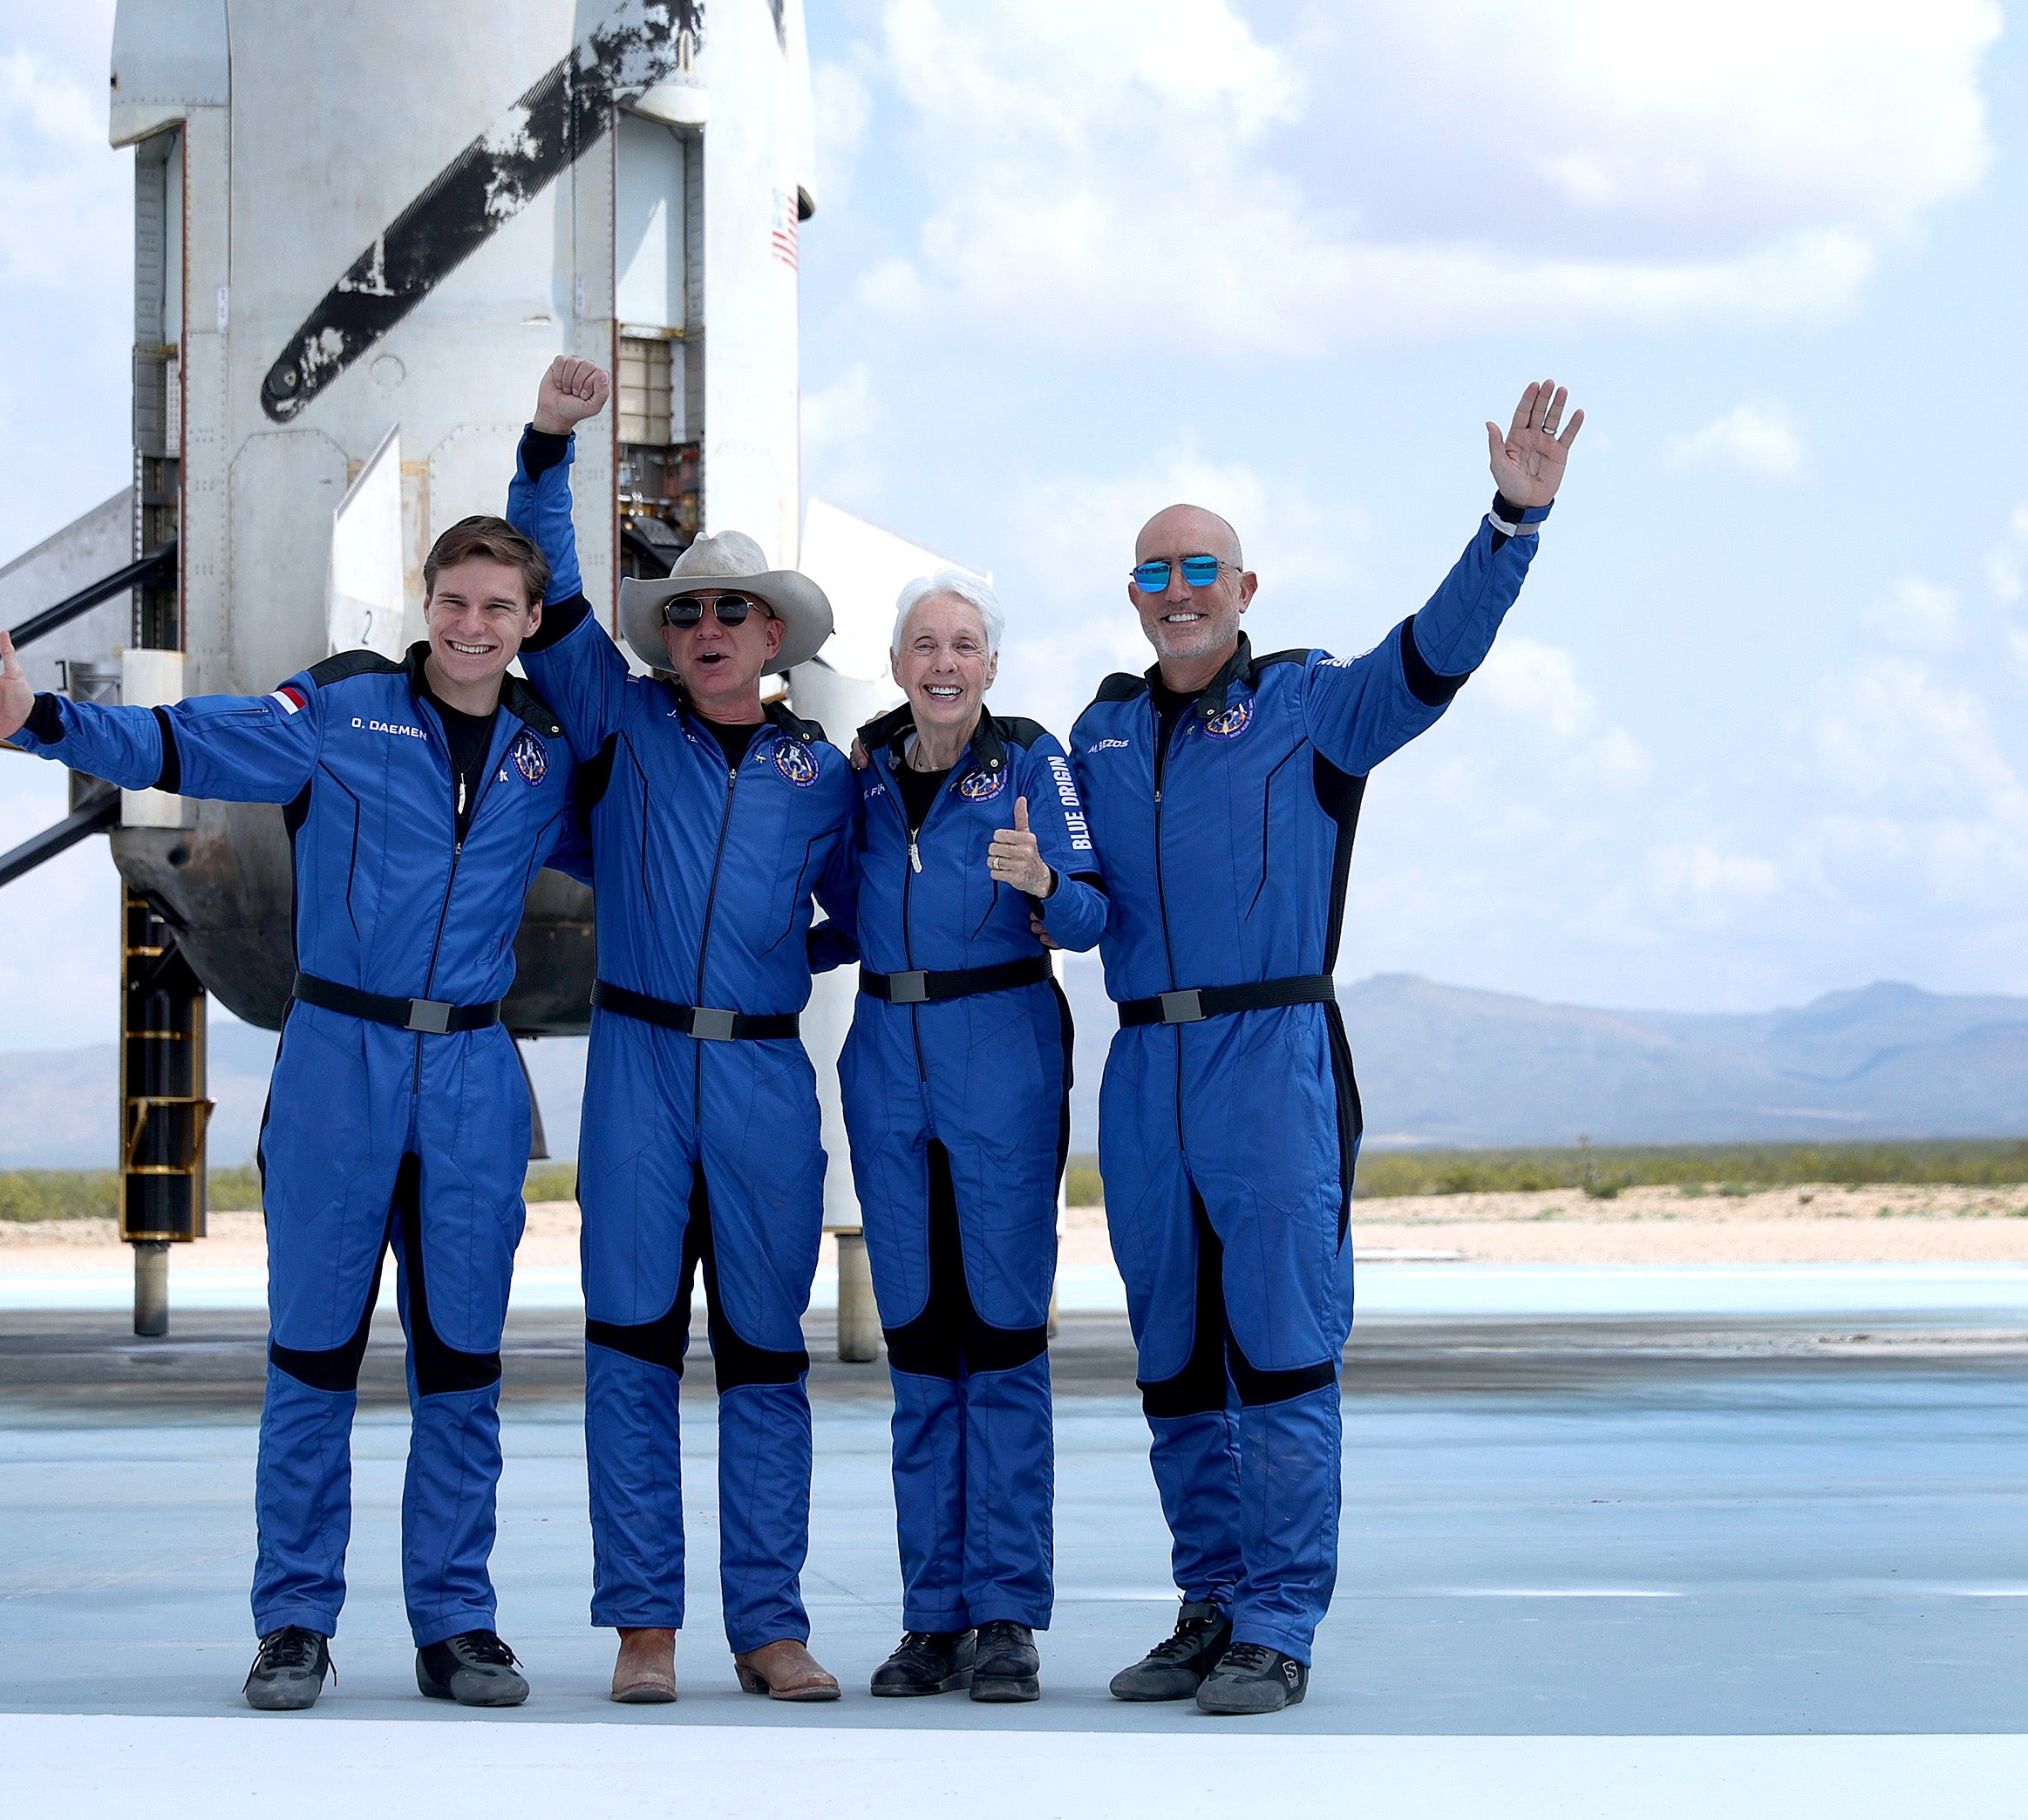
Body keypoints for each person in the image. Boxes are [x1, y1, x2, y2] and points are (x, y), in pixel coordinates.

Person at [0, 515, 582, 1713]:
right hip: (336, 1067)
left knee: (464, 1370)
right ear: (427, 599)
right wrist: (45, 724)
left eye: (497, 609)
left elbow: (659, 852)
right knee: (312, 1362)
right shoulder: (345, 711)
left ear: (529, 624)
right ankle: (294, 1620)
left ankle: (459, 1624)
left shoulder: (546, 756)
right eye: (454, 600)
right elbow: (194, 742)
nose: (471, 626)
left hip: (471, 1081)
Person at [1069, 381, 1583, 1715]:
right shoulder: (1102, 731)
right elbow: (1084, 901)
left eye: (1200, 570)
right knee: (1176, 1364)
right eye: (1154, 572)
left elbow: (1431, 659)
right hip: (1142, 1076)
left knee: (1284, 1351)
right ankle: (1211, 1601)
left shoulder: (1310, 706)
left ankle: (1281, 1623)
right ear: (1134, 594)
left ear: (1245, 588)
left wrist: (1510, 523)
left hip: (1273, 1062)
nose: (1177, 591)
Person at [506, 357, 858, 1704]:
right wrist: (549, 443)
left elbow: (867, 913)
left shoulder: (826, 779)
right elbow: (553, 599)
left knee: (767, 1358)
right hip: (640, 1062)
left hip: (766, 1070)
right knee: (632, 1346)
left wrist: (779, 959)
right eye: (692, 611)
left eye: (736, 612)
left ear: (776, 639)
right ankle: (643, 1627)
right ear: (671, 635)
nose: (710, 627)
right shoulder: (620, 719)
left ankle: (768, 1627)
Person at [831, 572, 1106, 1704]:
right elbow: (832, 918)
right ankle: (930, 1618)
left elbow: (1093, 916)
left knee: (999, 1344)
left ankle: (1004, 1614)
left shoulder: (1035, 762)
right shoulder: (862, 774)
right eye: (925, 645)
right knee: (917, 1348)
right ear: (898, 663)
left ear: (991, 667)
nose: (945, 664)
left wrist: (1046, 880)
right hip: (887, 1059)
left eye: (966, 646)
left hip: (1002, 1052)